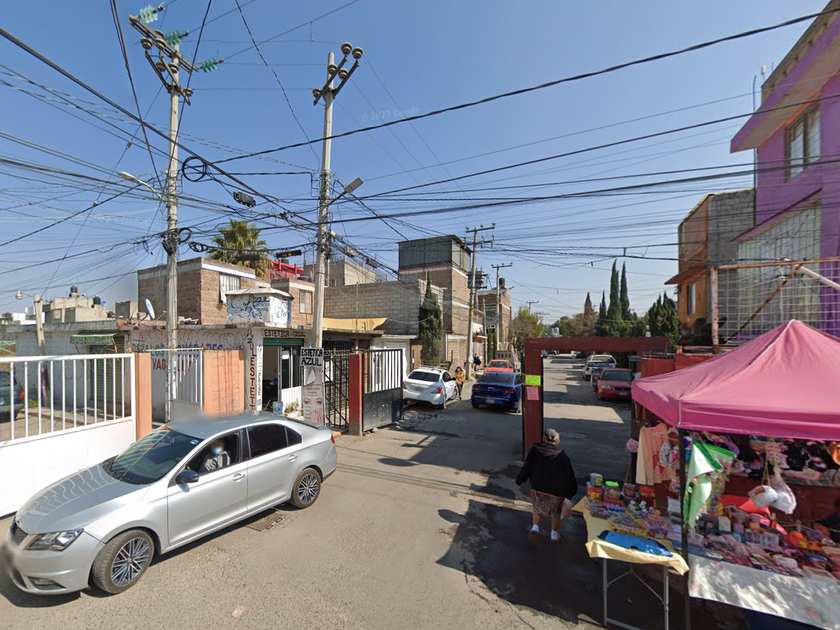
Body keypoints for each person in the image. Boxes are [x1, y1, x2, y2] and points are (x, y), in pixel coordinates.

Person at [516, 428, 578, 544]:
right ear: (557, 441)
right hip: (555, 491)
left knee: (536, 507)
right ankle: (554, 534)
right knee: (555, 512)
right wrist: (571, 492)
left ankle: (535, 527)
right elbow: (569, 476)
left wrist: (520, 480)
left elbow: (527, 467)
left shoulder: (535, 450)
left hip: (537, 487)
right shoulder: (562, 456)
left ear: (544, 439)